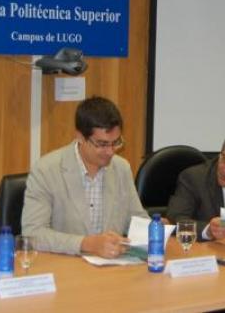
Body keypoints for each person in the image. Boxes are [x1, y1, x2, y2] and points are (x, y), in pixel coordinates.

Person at [21, 96, 147, 259]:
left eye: (116, 142)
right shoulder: (46, 170)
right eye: (102, 144)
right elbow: (33, 233)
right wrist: (87, 244)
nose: (110, 151)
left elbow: (136, 219)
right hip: (67, 270)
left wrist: (152, 229)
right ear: (80, 137)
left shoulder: (121, 168)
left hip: (114, 269)